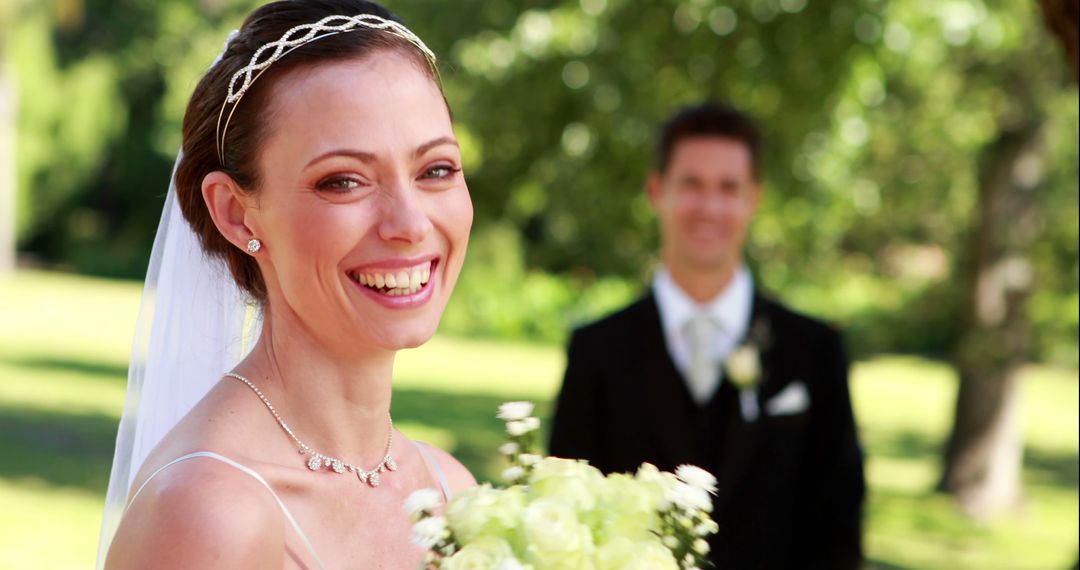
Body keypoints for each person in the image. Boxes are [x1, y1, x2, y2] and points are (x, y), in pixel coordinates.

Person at [98, 1, 475, 568]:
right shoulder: (208, 513)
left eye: (436, 170)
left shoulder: (453, 491)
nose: (411, 225)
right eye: (343, 181)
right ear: (236, 213)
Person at [549, 103, 865, 569]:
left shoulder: (815, 351)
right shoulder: (597, 349)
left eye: (728, 188)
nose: (709, 207)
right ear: (658, 190)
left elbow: (838, 528)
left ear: (753, 198)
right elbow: (567, 514)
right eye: (692, 184)